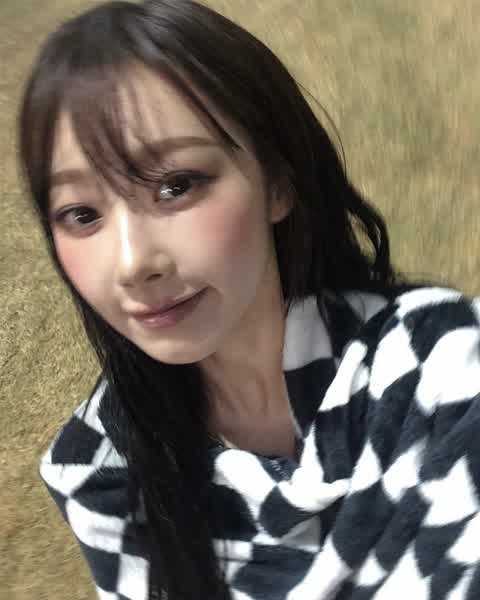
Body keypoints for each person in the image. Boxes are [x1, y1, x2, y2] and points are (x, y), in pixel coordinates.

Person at [19, 1, 480, 599]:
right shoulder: (98, 468)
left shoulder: (439, 368)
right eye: (82, 214)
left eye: (176, 185)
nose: (133, 263)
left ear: (278, 183)